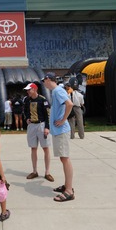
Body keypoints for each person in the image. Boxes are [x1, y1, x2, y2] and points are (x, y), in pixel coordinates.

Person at [42, 72, 75, 202]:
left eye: (44, 80)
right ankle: (67, 186)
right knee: (63, 158)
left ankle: (69, 191)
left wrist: (62, 120)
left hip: (61, 130)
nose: (43, 83)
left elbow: (70, 104)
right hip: (58, 131)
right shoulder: (56, 91)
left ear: (48, 79)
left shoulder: (57, 90)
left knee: (65, 159)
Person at [22, 82, 53, 182]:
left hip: (41, 125)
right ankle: (34, 171)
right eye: (27, 90)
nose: (27, 92)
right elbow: (25, 110)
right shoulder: (27, 100)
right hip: (32, 126)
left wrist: (47, 127)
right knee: (33, 148)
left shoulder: (43, 100)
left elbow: (48, 114)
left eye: (29, 90)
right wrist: (27, 118)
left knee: (45, 148)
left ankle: (47, 172)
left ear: (34, 89)